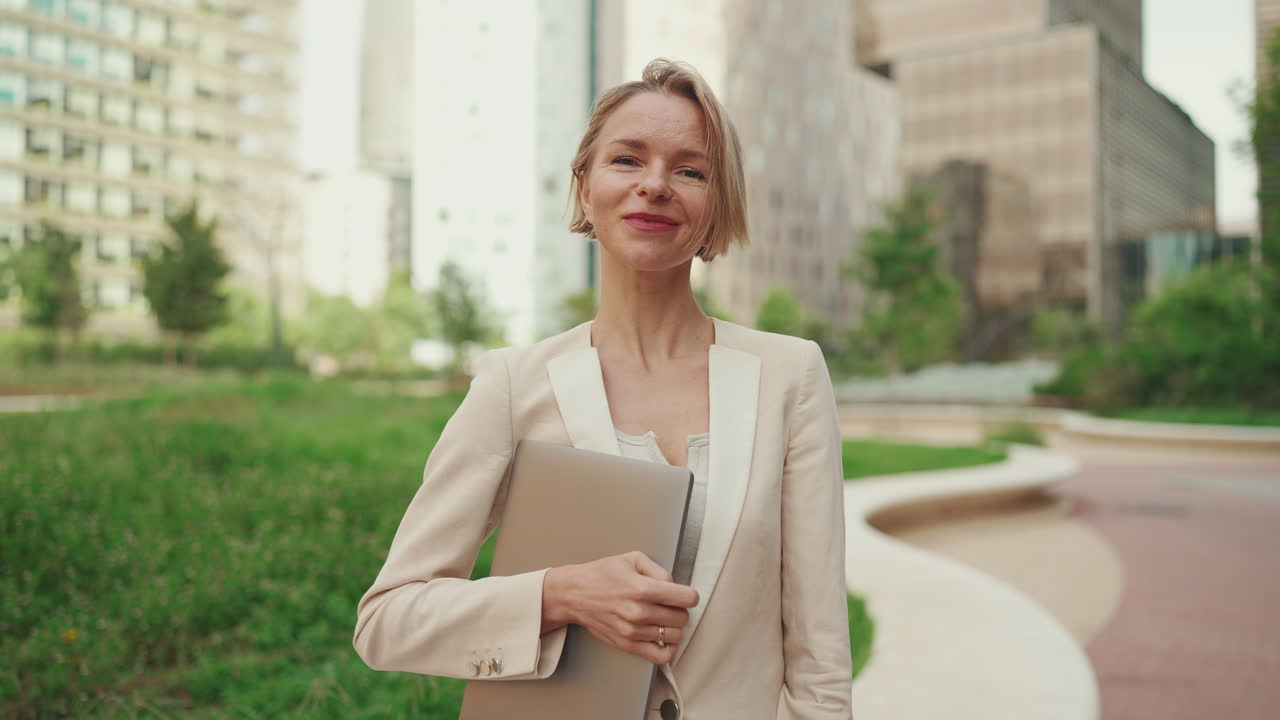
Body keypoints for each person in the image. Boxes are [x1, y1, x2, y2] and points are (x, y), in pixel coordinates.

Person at [353, 58, 852, 720]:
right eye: (627, 160)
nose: (655, 185)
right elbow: (387, 621)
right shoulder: (513, 385)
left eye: (690, 170)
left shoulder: (791, 375)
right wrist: (560, 595)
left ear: (716, 209)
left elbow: (820, 660)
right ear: (585, 188)